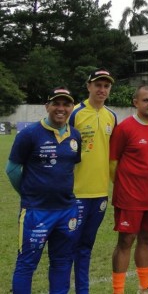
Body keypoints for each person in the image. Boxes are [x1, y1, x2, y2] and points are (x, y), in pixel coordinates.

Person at [7, 88, 81, 294]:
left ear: (71, 108)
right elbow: (12, 169)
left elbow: (69, 168)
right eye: (56, 103)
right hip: (36, 211)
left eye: (66, 104)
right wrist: (28, 194)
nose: (61, 108)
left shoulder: (75, 135)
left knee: (62, 262)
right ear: (47, 106)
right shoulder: (30, 134)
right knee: (27, 263)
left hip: (66, 211)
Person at [110, 85, 148, 294]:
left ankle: (145, 287)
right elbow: (113, 162)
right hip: (129, 196)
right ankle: (118, 290)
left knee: (147, 238)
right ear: (135, 102)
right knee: (126, 240)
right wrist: (123, 188)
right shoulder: (125, 128)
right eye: (146, 100)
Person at [68, 68, 117, 294]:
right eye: (98, 84)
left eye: (106, 86)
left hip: (100, 194)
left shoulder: (111, 116)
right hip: (75, 193)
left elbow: (113, 157)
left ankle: (83, 290)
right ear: (89, 86)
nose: (102, 89)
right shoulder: (75, 113)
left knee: (86, 247)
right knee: (68, 247)